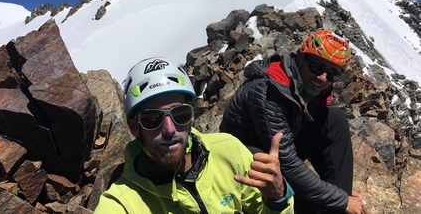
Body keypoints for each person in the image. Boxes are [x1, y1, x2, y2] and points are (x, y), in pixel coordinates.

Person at [94, 57, 294, 214]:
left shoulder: (228, 150)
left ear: (191, 117)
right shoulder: (122, 204)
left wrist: (277, 199)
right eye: (152, 119)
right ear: (134, 128)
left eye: (180, 114)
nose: (169, 129)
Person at [219, 30, 368, 214]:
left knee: (335, 119)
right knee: (334, 198)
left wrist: (338, 194)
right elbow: (287, 161)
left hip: (278, 149)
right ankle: (337, 203)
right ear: (300, 57)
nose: (322, 77)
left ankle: (336, 207)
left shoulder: (309, 89)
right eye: (316, 66)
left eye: (332, 74)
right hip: (246, 156)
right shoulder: (268, 89)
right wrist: (342, 200)